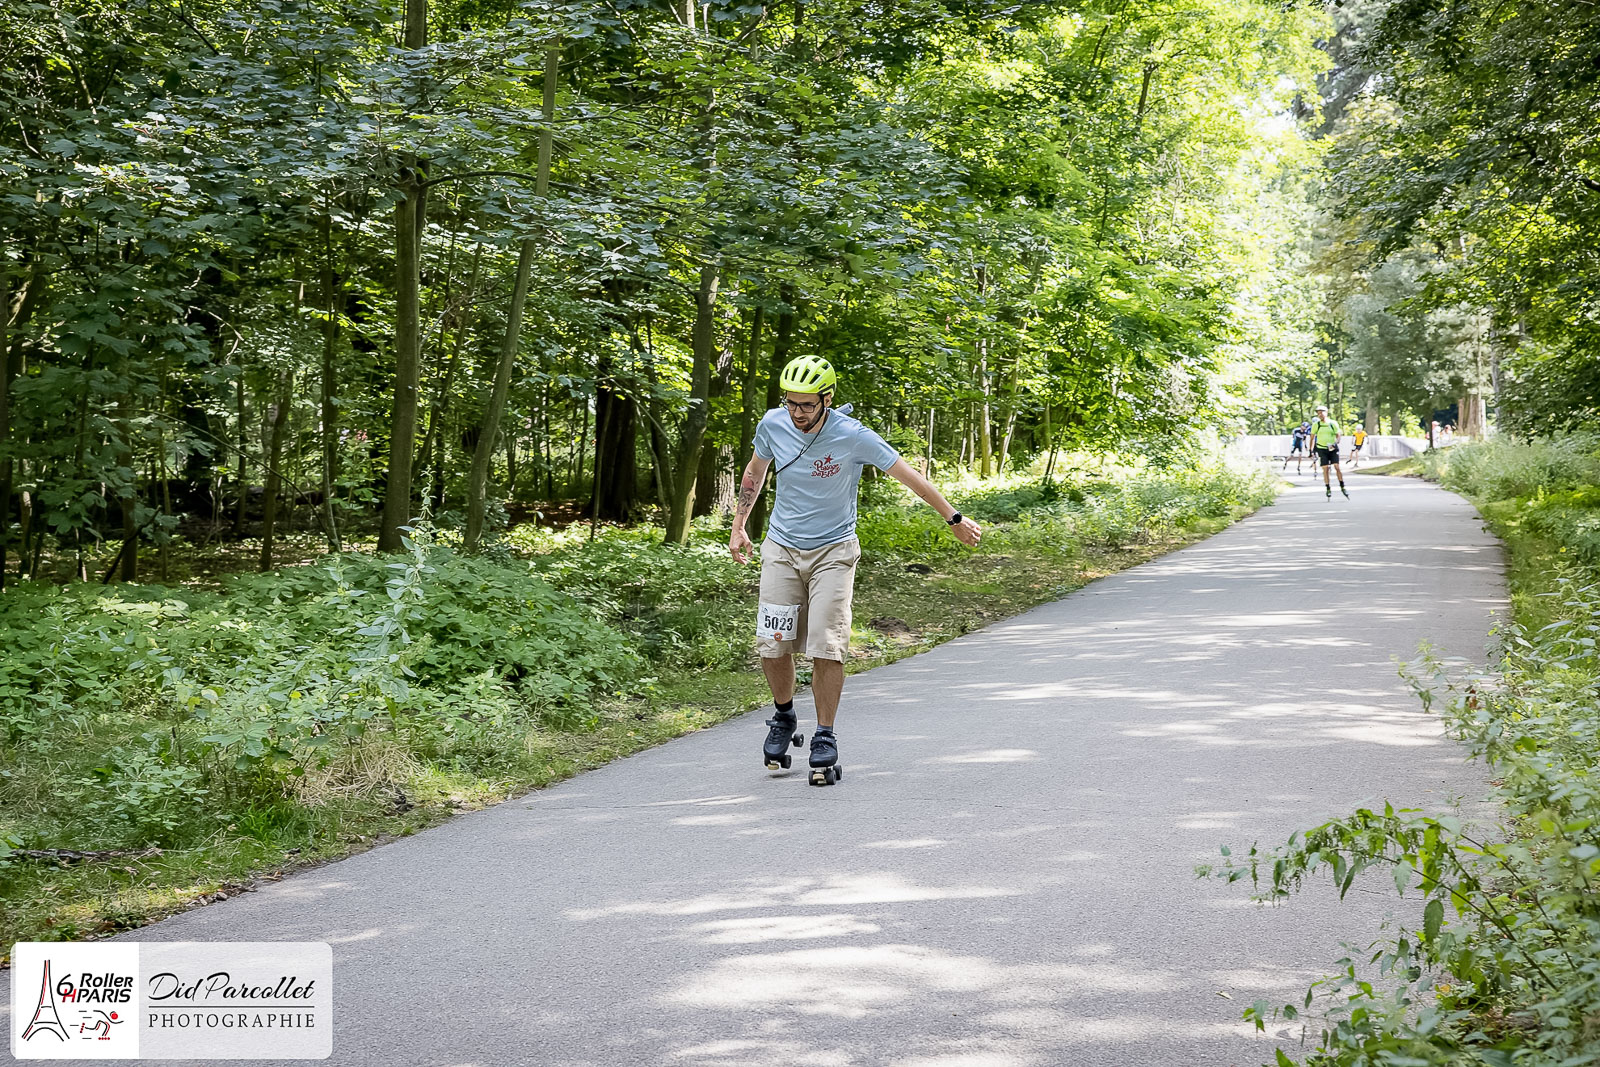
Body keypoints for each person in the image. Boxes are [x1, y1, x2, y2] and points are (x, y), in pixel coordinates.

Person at [729, 355, 982, 785]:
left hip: (834, 551)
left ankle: (824, 734)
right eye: (791, 402)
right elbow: (756, 470)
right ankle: (784, 716)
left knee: (826, 645)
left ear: (827, 399)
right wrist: (739, 526)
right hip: (781, 548)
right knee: (774, 643)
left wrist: (954, 519)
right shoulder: (773, 424)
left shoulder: (852, 435)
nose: (797, 413)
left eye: (807, 404)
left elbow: (909, 476)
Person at [1310, 404, 1348, 499]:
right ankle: (1328, 487)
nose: (1320, 415)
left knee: (1337, 467)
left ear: (1326, 413)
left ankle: (1342, 486)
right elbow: (1312, 438)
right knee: (1325, 468)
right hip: (1321, 448)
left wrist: (1336, 442)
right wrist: (1311, 450)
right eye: (1318, 413)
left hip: (1332, 448)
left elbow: (1338, 435)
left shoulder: (1332, 423)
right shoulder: (1316, 425)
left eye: (1322, 412)